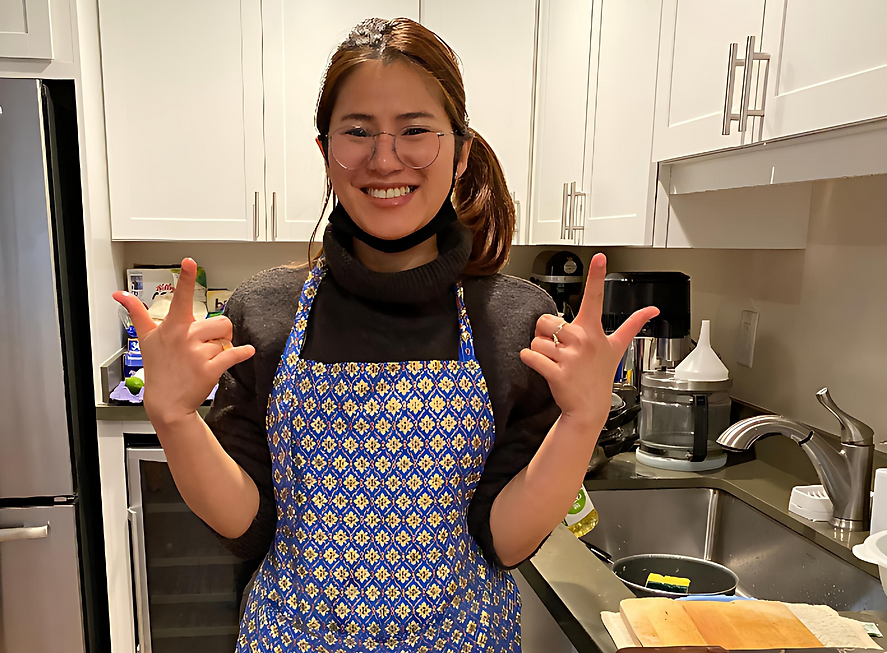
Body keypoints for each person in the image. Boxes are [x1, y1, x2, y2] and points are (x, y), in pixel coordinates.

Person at [114, 17, 657, 653]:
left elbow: (503, 541)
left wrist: (583, 419)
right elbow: (248, 525)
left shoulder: (515, 321)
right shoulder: (264, 312)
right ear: (326, 151)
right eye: (358, 132)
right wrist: (175, 417)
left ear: (460, 151)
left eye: (415, 131)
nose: (384, 159)